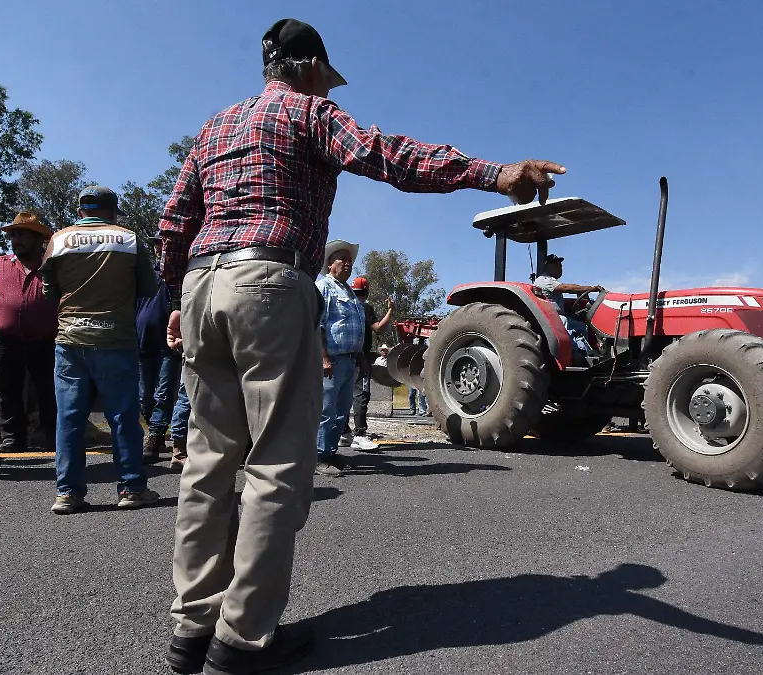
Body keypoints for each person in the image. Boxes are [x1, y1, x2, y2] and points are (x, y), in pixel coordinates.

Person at [156, 17, 563, 674]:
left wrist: (176, 296)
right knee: (274, 467)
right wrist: (496, 174)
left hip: (204, 284)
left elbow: (175, 219)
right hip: (268, 279)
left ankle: (191, 626)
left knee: (207, 461)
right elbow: (392, 157)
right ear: (313, 68)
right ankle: (241, 637)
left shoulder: (215, 126)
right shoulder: (311, 114)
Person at [39, 186, 161, 514]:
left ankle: (68, 494)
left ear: (81, 210)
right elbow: (149, 288)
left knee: (69, 419)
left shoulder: (58, 240)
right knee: (122, 417)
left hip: (70, 341)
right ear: (113, 210)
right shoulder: (129, 239)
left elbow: (48, 293)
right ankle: (132, 488)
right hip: (116, 340)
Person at [0, 211, 58, 453]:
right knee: (6, 389)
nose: (16, 240)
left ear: (39, 240)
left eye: (22, 235)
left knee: (47, 390)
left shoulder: (53, 267)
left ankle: (50, 437)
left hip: (45, 339)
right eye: (13, 235)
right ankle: (12, 439)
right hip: (3, 338)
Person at [316, 240, 366, 476]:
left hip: (349, 360)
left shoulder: (348, 291)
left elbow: (357, 327)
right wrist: (324, 358)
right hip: (332, 360)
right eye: (342, 260)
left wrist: (361, 358)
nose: (347, 264)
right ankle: (318, 457)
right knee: (326, 409)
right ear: (329, 264)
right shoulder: (323, 287)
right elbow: (318, 325)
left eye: (350, 261)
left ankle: (331, 453)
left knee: (341, 410)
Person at [137, 235, 181, 463]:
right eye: (157, 245)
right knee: (144, 397)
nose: (160, 249)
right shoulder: (146, 275)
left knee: (163, 394)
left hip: (168, 345)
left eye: (164, 245)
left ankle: (154, 437)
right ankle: (157, 432)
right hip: (143, 343)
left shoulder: (178, 279)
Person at [342, 276, 394, 452]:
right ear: (366, 292)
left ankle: (343, 433)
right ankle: (360, 434)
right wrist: (390, 311)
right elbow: (379, 328)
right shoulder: (364, 307)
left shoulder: (346, 305)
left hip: (343, 356)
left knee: (343, 394)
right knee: (361, 394)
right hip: (360, 357)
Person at [531, 254, 602, 355]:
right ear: (547, 266)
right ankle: (572, 354)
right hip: (550, 317)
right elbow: (566, 288)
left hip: (558, 316)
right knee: (564, 322)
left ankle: (587, 352)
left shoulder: (552, 280)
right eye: (557, 265)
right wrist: (591, 288)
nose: (560, 268)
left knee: (580, 326)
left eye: (560, 266)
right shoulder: (543, 280)